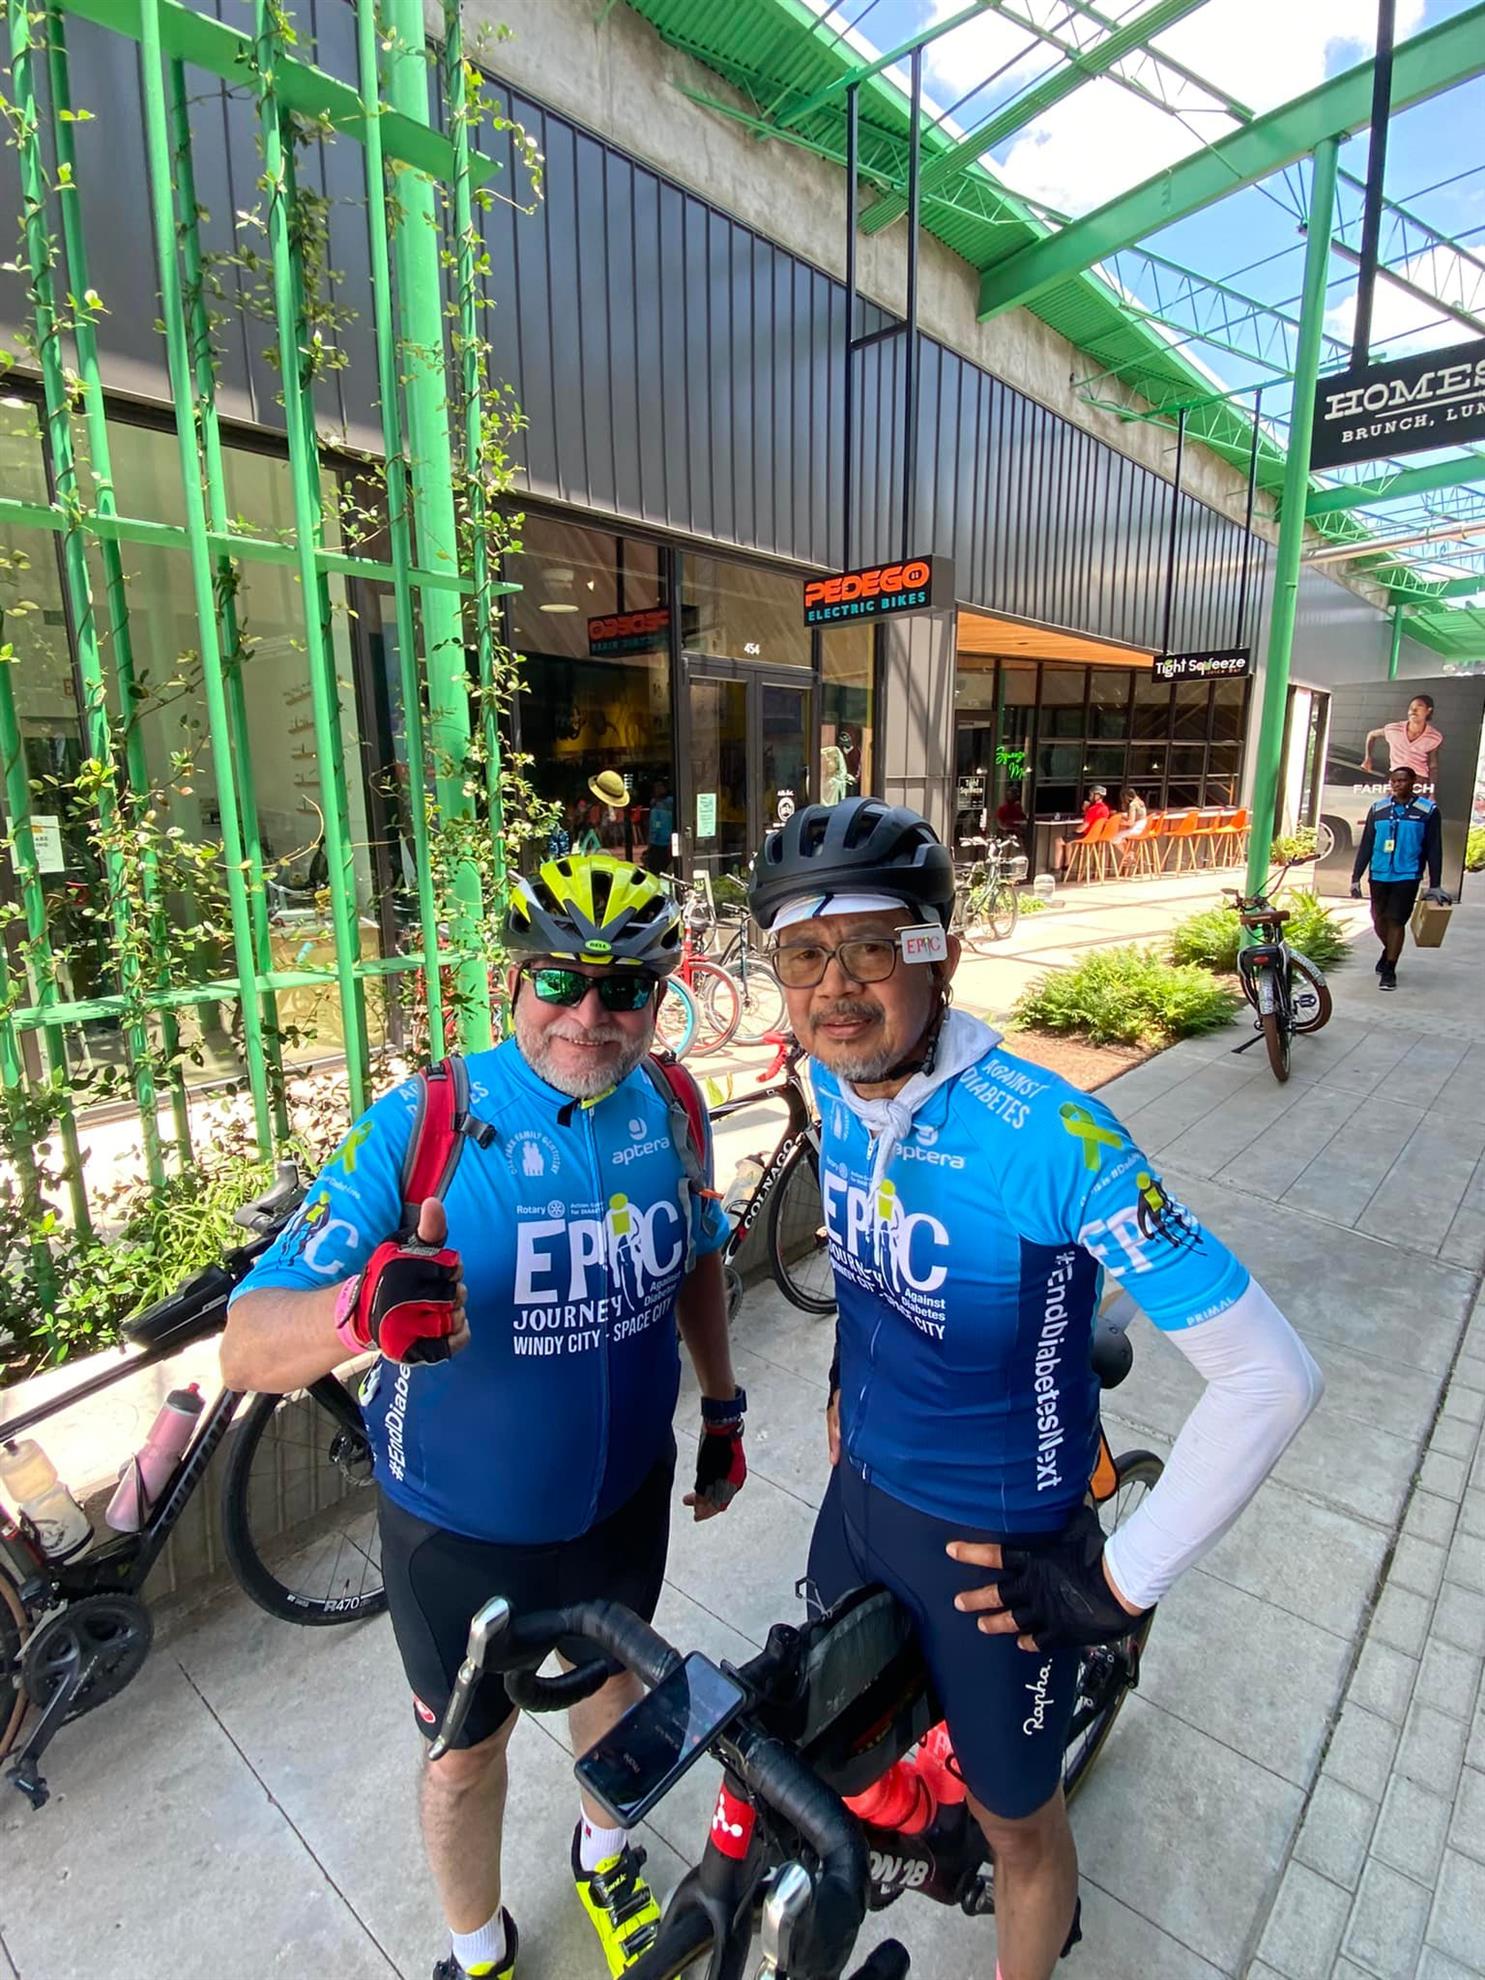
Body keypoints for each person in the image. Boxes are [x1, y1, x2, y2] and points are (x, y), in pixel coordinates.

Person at [747, 797, 1323, 1980]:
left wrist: (1114, 1584)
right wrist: (845, 1383)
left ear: (943, 953)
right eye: (804, 954)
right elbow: (864, 1273)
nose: (836, 985)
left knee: (1020, 1830)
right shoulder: (842, 1091)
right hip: (861, 1506)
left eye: (872, 945)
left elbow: (1272, 1380)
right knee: (837, 1744)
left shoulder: (1057, 1137)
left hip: (997, 1561)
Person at [220, 853, 746, 1980]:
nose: (589, 1017)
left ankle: (604, 1858)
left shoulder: (673, 1103)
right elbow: (247, 1342)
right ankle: (478, 1951)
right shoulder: (429, 1122)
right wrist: (360, 1310)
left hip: (624, 1503)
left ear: (660, 996)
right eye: (560, 981)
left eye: (624, 989)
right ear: (513, 981)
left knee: (612, 1690)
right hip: (459, 1534)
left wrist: (723, 1407)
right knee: (464, 1760)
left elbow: (699, 1254)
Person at [1349, 764, 1449, 992]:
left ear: (1413, 782)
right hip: (1379, 873)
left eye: (1402, 780)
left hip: (1407, 875)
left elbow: (1434, 848)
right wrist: (1356, 877)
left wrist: (1435, 884)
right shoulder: (1378, 808)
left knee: (1396, 920)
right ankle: (1388, 950)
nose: (1397, 784)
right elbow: (1367, 844)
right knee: (1378, 919)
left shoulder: (1428, 811)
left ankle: (1390, 969)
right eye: (1393, 781)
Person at [1362, 693, 1443, 781]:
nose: (1413, 710)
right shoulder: (1394, 729)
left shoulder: (1434, 737)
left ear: (1428, 710)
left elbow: (1433, 764)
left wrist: (1432, 787)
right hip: (1397, 775)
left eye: (1419, 706)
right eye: (1411, 707)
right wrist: (1368, 758)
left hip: (1419, 778)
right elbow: (1372, 735)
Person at [1053, 784, 1110, 874]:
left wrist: (1076, 830)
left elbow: (1084, 826)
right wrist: (1086, 809)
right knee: (1069, 840)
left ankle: (1056, 867)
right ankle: (1067, 864)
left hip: (1086, 834)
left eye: (1091, 795)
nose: (1089, 797)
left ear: (1097, 796)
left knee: (1058, 841)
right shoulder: (1105, 808)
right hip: (1096, 835)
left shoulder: (1093, 809)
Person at [646, 777, 675, 875]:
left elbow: (656, 824)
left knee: (658, 869)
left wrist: (651, 840)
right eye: (656, 787)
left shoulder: (661, 804)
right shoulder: (657, 803)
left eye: (659, 787)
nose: (657, 789)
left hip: (661, 842)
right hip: (663, 841)